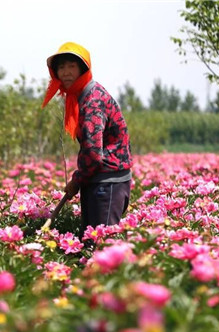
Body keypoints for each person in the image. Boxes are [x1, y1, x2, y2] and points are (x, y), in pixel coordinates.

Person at [42, 42, 132, 239]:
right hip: (98, 180)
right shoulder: (81, 96)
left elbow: (92, 153)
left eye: (71, 66)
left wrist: (76, 180)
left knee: (101, 246)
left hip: (108, 182)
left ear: (83, 69)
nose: (65, 72)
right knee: (89, 243)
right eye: (61, 67)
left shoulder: (93, 100)